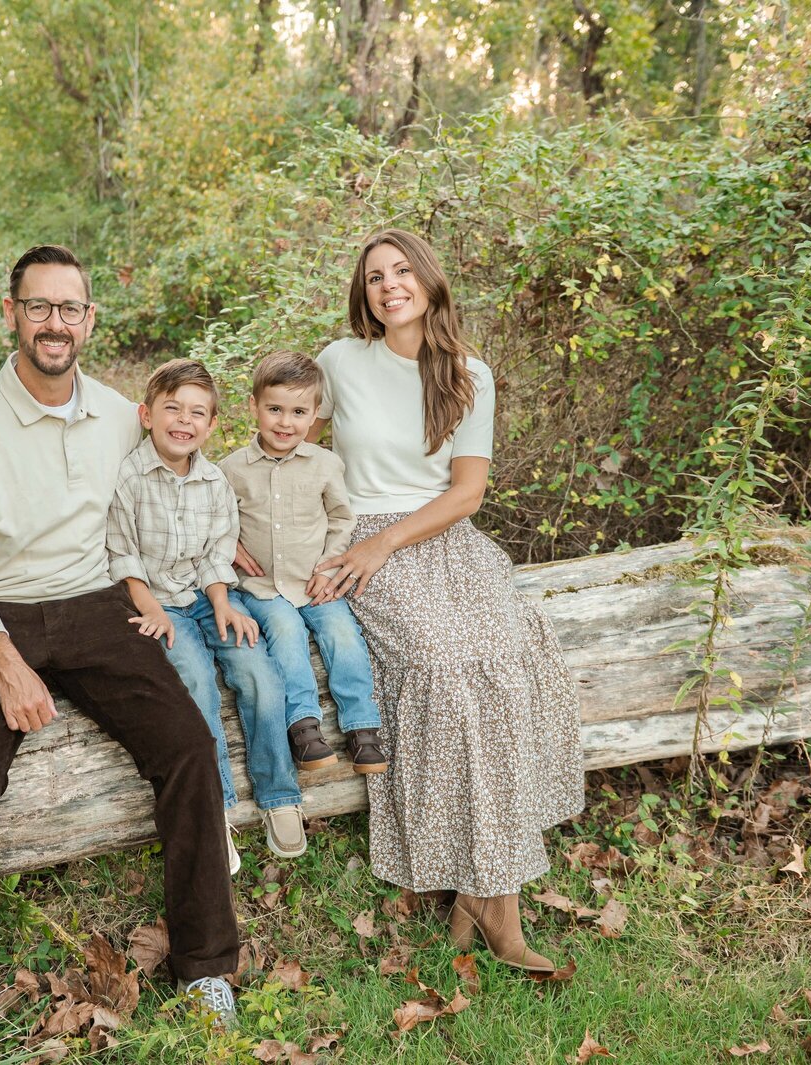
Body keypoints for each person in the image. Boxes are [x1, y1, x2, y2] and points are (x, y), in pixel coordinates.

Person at [0, 247, 242, 1049]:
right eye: (39, 307)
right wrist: (4, 659)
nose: (55, 323)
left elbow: (181, 478)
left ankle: (204, 966)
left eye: (70, 308)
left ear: (90, 320)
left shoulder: (122, 414)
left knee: (191, 747)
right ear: (10, 313)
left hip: (98, 606)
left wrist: (231, 549)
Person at [276, 227, 584, 972]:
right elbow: (282, 436)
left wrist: (395, 540)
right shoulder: (340, 362)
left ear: (429, 280)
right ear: (365, 295)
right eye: (375, 276)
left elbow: (468, 492)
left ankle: (484, 896)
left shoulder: (467, 373)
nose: (389, 285)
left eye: (401, 270)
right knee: (444, 667)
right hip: (365, 543)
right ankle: (493, 908)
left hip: (445, 538)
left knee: (512, 656)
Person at [105, 359, 306, 865]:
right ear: (146, 415)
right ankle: (213, 805)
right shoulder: (128, 478)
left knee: (258, 668)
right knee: (193, 680)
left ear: (212, 424)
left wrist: (223, 604)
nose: (184, 421)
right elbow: (121, 553)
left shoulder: (214, 481)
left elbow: (219, 552)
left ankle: (279, 795)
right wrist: (153, 610)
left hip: (205, 593)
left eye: (197, 413)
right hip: (155, 602)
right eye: (172, 408)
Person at [217, 351, 388, 778]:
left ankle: (363, 728)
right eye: (274, 409)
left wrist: (330, 568)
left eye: (298, 412)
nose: (285, 422)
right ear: (253, 406)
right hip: (263, 588)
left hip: (316, 583)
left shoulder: (325, 464)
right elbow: (217, 522)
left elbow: (341, 518)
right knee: (286, 635)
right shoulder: (230, 470)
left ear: (314, 414)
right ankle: (305, 729)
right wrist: (229, 543)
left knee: (343, 635)